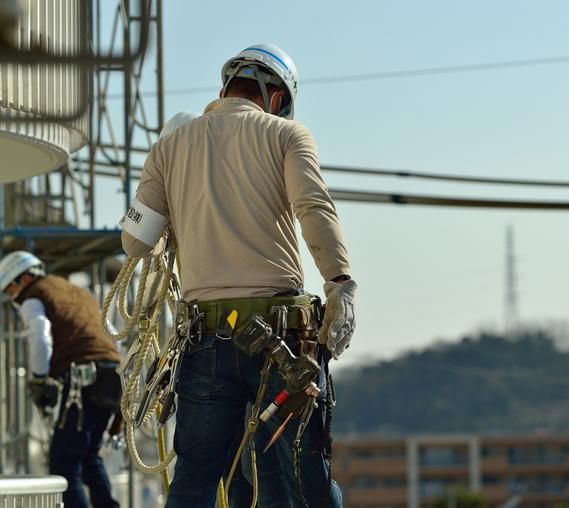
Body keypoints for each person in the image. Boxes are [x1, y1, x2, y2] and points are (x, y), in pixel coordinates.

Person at [120, 43, 356, 508]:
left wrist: (180, 202)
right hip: (282, 342)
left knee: (195, 479)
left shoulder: (169, 145)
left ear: (224, 89)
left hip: (205, 340)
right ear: (276, 98)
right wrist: (340, 283)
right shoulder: (287, 134)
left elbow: (135, 242)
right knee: (292, 478)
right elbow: (313, 208)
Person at [0, 251, 122, 508]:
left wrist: (39, 379)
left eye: (9, 289)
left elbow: (40, 335)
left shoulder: (34, 295)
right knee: (89, 457)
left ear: (23, 279)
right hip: (111, 377)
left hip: (83, 381)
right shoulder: (77, 293)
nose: (11, 297)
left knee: (64, 462)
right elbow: (110, 332)